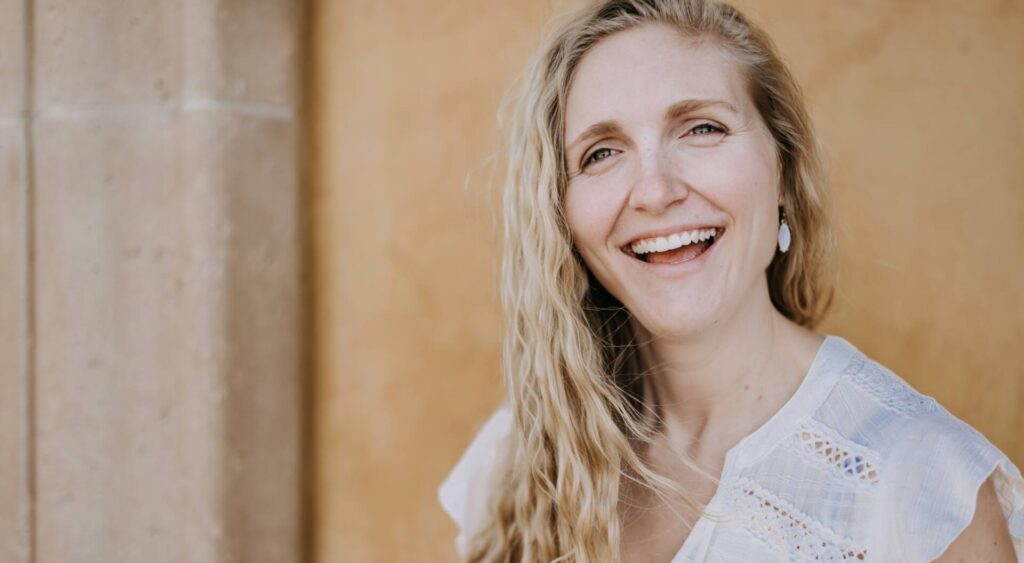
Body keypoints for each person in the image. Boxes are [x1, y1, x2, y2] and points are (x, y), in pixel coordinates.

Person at [438, 0, 1024, 561]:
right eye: (601, 153)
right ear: (562, 217)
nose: (655, 190)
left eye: (702, 129)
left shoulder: (922, 486)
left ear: (785, 176)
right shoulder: (524, 452)